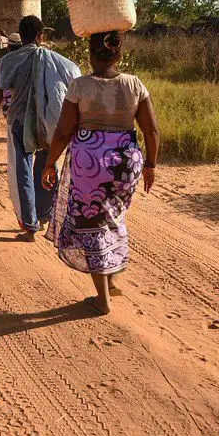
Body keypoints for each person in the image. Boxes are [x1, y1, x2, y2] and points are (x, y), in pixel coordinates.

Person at [42, 30, 160, 315]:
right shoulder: (135, 84)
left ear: (91, 55)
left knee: (91, 222)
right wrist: (150, 165)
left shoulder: (80, 86)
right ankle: (112, 277)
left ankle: (102, 299)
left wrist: (49, 163)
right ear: (119, 55)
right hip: (126, 161)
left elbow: (63, 131)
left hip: (90, 162)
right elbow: (151, 130)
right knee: (113, 216)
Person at [0, 15, 80, 241]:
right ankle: (46, 211)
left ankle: (30, 225)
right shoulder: (58, 61)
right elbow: (75, 81)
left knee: (23, 170)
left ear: (22, 34)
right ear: (40, 36)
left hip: (20, 122)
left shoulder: (10, 60)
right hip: (50, 122)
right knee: (48, 165)